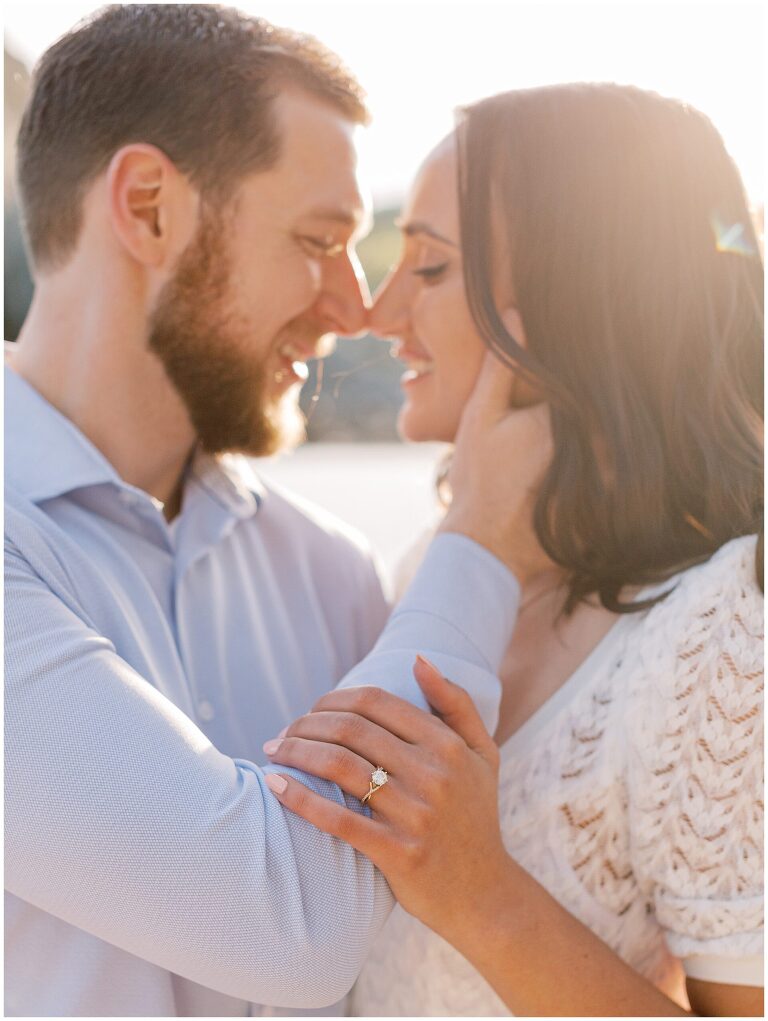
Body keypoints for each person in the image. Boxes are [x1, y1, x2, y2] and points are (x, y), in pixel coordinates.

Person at [4, 6, 549, 1016]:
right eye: (319, 241)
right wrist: (481, 538)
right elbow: (286, 930)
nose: (354, 308)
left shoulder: (335, 573)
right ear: (150, 207)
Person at [262, 83, 764, 1016]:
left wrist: (480, 892)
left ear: (578, 298)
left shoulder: (725, 627)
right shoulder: (432, 570)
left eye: (434, 267)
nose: (377, 313)